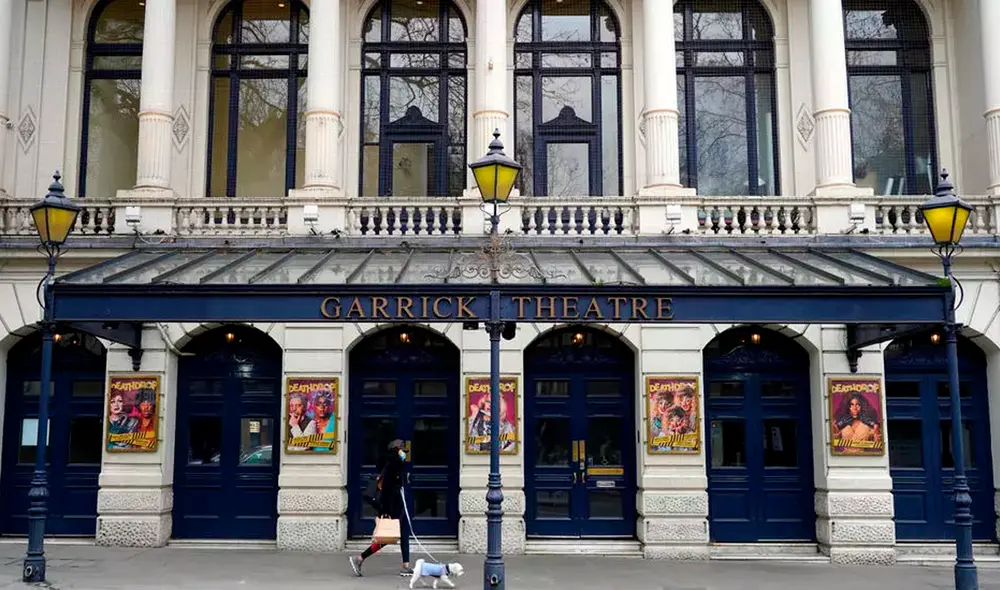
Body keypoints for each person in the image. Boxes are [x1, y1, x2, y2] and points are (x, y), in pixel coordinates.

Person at [350, 439, 411, 578]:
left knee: (402, 534)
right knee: (387, 537)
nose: (404, 455)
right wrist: (386, 511)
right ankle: (360, 558)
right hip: (391, 508)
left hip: (396, 506)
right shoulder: (391, 467)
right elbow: (387, 491)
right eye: (403, 451)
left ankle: (405, 566)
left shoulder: (395, 465)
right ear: (397, 450)